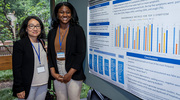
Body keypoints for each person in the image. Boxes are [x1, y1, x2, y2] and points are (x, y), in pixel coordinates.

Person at [47, 2, 86, 100]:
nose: (65, 15)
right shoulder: (52, 32)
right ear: (57, 14)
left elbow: (80, 53)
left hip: (73, 70)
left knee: (74, 98)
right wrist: (53, 73)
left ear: (72, 14)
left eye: (68, 12)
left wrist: (69, 74)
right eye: (61, 12)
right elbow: (50, 54)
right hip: (57, 70)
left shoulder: (77, 30)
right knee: (60, 98)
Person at [12, 16, 49, 100]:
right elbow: (16, 68)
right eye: (31, 26)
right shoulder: (20, 45)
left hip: (43, 83)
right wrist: (19, 88)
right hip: (28, 85)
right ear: (26, 28)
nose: (35, 28)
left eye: (37, 26)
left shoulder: (42, 43)